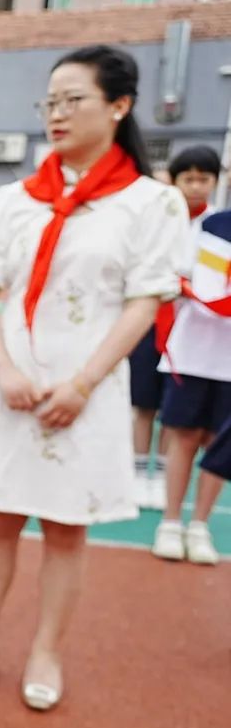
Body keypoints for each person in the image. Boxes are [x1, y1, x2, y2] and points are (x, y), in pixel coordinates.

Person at [0, 44, 187, 712]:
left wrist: (82, 384)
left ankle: (46, 648)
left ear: (119, 105)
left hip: (88, 390)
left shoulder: (149, 204)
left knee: (66, 528)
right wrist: (3, 368)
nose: (58, 113)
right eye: (50, 101)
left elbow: (146, 299)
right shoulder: (16, 200)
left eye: (74, 99)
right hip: (8, 383)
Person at [139, 146, 221, 516]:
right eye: (188, 179)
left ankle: (185, 505)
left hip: (207, 344)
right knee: (149, 407)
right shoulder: (167, 225)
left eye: (204, 178)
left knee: (197, 428)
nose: (196, 186)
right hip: (159, 329)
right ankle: (143, 477)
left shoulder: (219, 225)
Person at [153, 202, 231, 564]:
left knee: (218, 443)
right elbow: (178, 277)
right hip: (194, 352)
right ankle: (170, 522)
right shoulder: (210, 225)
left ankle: (200, 525)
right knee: (184, 436)